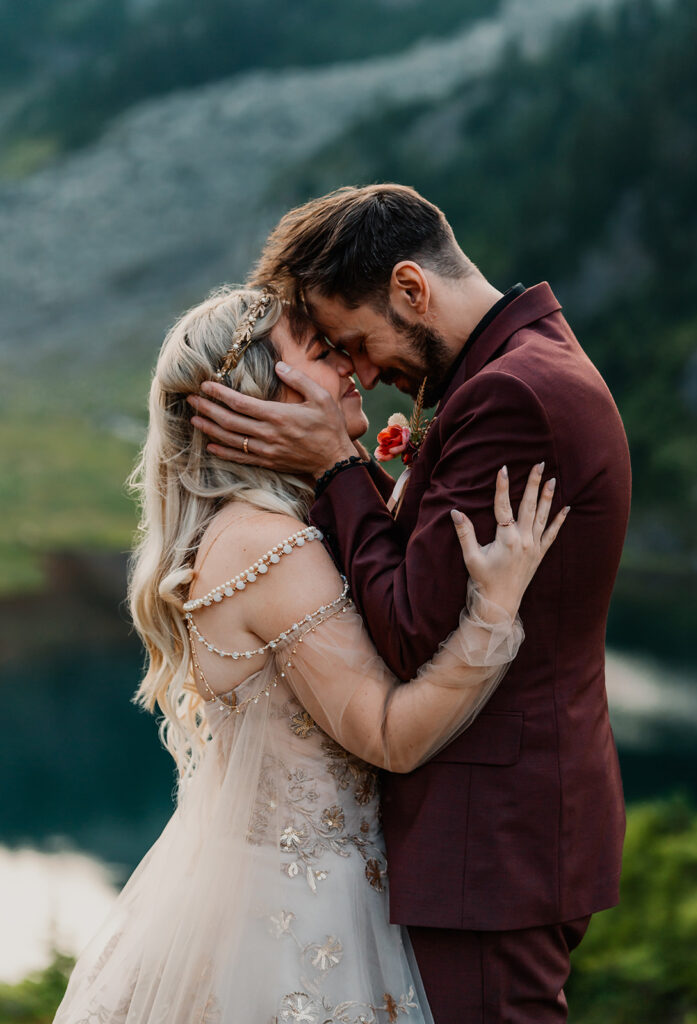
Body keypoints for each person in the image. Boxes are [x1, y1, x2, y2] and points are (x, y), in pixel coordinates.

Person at [53, 286, 565, 1023]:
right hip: (302, 918)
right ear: (261, 396)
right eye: (321, 354)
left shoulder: (247, 529)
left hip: (261, 891)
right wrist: (495, 610)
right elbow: (391, 735)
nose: (351, 368)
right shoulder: (271, 543)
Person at [188, 184, 633, 1023]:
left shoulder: (514, 398)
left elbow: (410, 638)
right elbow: (434, 580)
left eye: (355, 341)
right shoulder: (518, 367)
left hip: (487, 839)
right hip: (497, 834)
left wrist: (334, 469)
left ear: (411, 289)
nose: (359, 372)